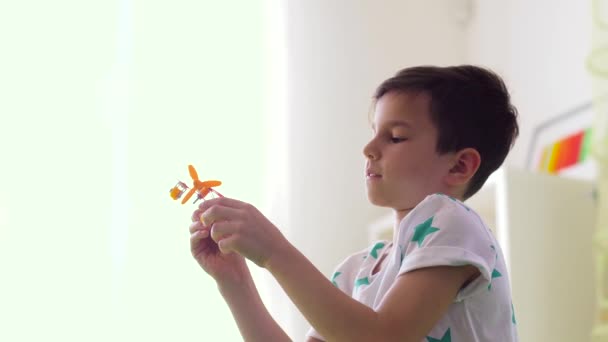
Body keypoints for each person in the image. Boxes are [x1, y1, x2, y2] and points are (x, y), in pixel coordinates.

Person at [189, 65, 519, 341]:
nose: (369, 148)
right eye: (374, 131)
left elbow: (383, 337)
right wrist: (235, 282)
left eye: (395, 137)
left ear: (459, 166)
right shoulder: (357, 271)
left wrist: (274, 251)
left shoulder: (455, 222)